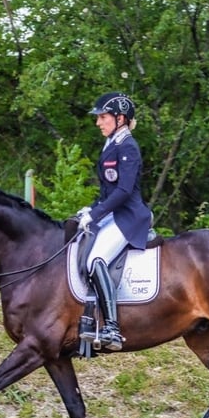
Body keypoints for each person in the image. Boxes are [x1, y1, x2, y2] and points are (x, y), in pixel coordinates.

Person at [76, 92, 152, 351]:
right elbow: (107, 191)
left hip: (129, 216)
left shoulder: (127, 146)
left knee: (95, 259)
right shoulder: (111, 144)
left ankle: (112, 328)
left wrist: (96, 215)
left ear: (120, 118)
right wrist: (92, 208)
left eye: (103, 117)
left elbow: (124, 191)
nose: (99, 122)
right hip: (114, 212)